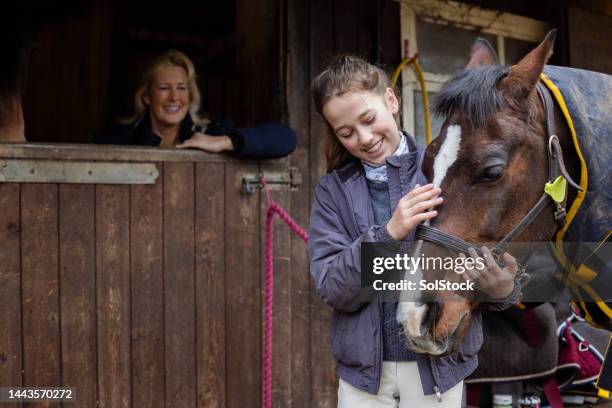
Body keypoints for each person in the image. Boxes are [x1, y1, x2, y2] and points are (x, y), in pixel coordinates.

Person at [308, 55, 522, 407]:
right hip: (364, 382)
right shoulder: (333, 191)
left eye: (368, 119)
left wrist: (503, 290)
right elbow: (333, 287)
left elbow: (488, 271)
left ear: (391, 101)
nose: (363, 138)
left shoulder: (446, 172)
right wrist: (390, 232)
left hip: (436, 371)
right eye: (345, 133)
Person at [95, 49, 297, 158]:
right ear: (146, 97)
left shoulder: (211, 133)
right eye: (164, 88)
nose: (174, 97)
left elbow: (287, 139)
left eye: (182, 88)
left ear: (191, 96)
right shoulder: (121, 137)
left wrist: (224, 142)